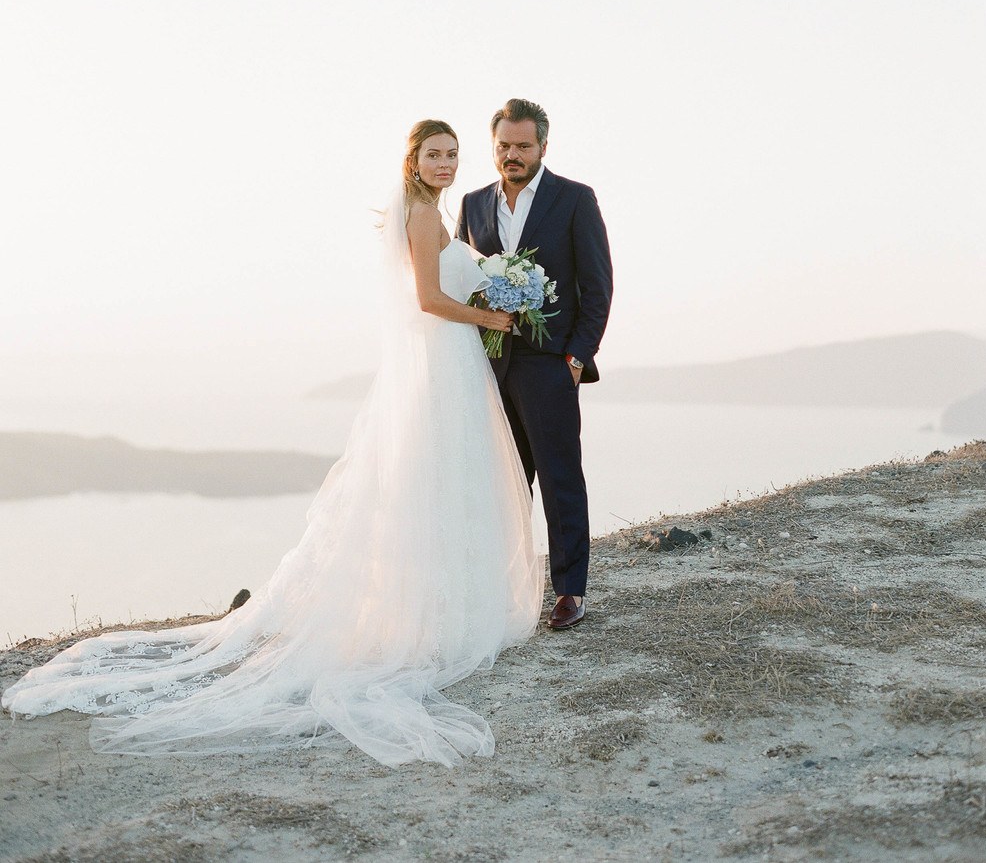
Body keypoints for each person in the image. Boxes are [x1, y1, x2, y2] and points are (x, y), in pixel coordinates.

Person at [1, 121, 543, 766]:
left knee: (444, 481)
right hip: (445, 358)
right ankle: (441, 616)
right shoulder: (423, 219)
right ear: (414, 160)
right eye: (436, 155)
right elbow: (428, 298)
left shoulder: (431, 212)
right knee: (444, 478)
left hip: (447, 363)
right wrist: (492, 314)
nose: (448, 163)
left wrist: (494, 282)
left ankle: (440, 605)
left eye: (453, 155)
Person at [456, 99, 613, 632]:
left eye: (523, 146)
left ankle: (570, 591)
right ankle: (501, 587)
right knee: (499, 482)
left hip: (549, 366)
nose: (512, 155)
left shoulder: (574, 200)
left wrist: (576, 357)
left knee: (560, 478)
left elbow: (597, 286)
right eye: (504, 146)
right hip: (491, 366)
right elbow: (462, 278)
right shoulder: (474, 204)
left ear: (543, 146)